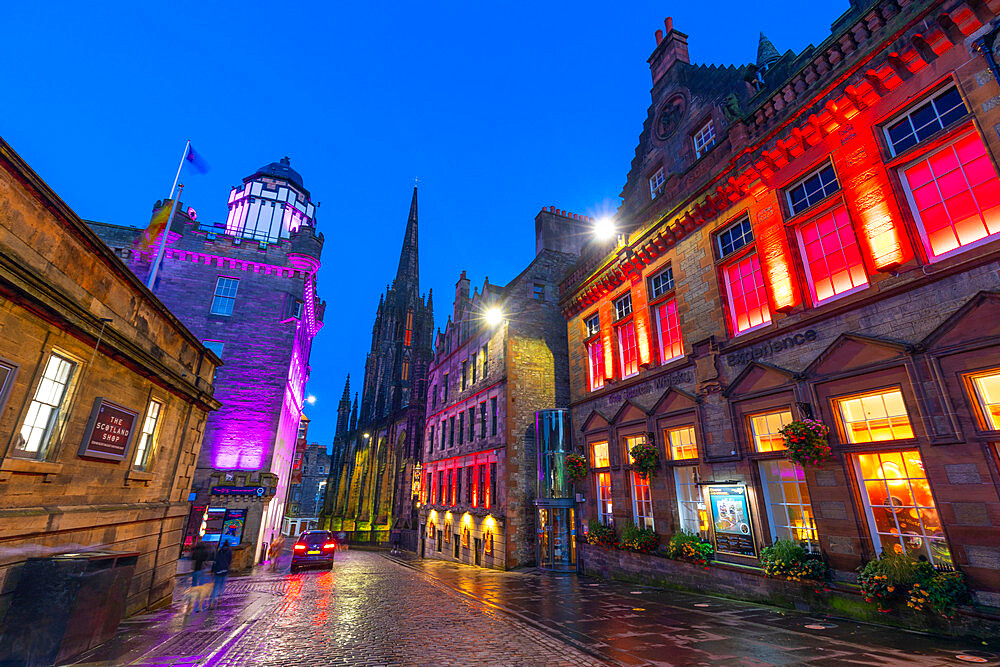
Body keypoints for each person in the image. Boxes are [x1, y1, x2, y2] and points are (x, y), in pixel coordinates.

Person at [210, 540, 233, 608]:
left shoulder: (219, 551)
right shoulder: (229, 552)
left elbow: (215, 561)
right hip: (225, 570)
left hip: (218, 570)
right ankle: (219, 598)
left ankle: (213, 599)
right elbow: (229, 561)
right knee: (222, 585)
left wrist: (212, 571)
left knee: (216, 586)